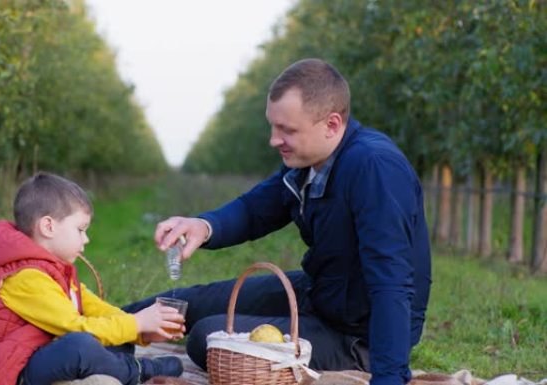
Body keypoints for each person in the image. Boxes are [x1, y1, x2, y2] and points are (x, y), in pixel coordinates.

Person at [123, 58, 431, 385]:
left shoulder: (374, 168)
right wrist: (203, 226)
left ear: (332, 124)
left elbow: (391, 283)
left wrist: (389, 377)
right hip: (321, 292)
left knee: (208, 337)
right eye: (273, 125)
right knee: (194, 302)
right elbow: (256, 209)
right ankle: (91, 323)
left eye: (287, 129)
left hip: (355, 336)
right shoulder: (307, 164)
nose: (274, 139)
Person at [0, 172, 185, 385]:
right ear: (48, 226)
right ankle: (137, 371)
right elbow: (74, 327)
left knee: (119, 338)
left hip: (40, 353)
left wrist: (143, 330)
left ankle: (112, 370)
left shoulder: (55, 269)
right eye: (80, 229)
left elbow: (95, 308)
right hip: (10, 371)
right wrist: (136, 323)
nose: (86, 239)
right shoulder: (24, 277)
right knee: (80, 345)